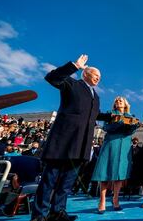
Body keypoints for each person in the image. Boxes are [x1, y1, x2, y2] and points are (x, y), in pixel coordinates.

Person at [31, 54, 101, 221]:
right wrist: (74, 66)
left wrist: (113, 118)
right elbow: (52, 77)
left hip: (81, 144)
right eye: (95, 75)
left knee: (66, 183)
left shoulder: (96, 97)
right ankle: (40, 215)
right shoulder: (72, 84)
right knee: (50, 180)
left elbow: (95, 115)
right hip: (63, 142)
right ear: (85, 74)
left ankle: (58, 212)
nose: (98, 78)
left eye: (100, 76)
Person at [91, 96, 139, 214]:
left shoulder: (130, 116)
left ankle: (115, 198)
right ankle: (102, 201)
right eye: (116, 101)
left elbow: (130, 132)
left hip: (124, 146)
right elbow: (107, 127)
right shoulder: (110, 113)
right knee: (105, 172)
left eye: (120, 101)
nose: (118, 102)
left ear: (125, 104)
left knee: (119, 174)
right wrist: (120, 122)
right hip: (111, 143)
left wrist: (133, 125)